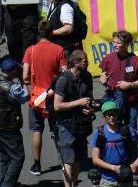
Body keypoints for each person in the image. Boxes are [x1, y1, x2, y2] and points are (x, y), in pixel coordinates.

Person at [22, 21, 65, 176]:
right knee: (58, 130)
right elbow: (65, 73)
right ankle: (64, 162)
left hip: (37, 98)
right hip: (53, 97)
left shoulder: (30, 50)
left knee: (37, 131)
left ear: (38, 33)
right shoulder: (59, 50)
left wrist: (29, 89)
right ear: (51, 33)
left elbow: (25, 75)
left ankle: (37, 165)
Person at [0, 56, 29, 187]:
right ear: (13, 71)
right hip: (7, 127)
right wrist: (22, 80)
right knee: (18, 157)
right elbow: (26, 97)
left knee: (5, 157)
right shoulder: (12, 87)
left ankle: (4, 182)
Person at [53, 49, 94, 187]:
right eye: (85, 60)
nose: (87, 63)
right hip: (66, 125)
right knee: (68, 161)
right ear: (76, 63)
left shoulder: (87, 76)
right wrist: (78, 103)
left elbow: (90, 98)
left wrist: (90, 108)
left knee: (78, 161)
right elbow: (57, 106)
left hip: (81, 125)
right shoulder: (63, 80)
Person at [89, 100, 138, 185]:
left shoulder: (127, 130)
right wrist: (113, 168)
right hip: (107, 178)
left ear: (118, 114)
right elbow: (95, 160)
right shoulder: (99, 132)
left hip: (125, 176)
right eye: (109, 114)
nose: (112, 117)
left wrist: (136, 164)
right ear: (104, 117)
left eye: (114, 113)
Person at [99, 30, 138, 136]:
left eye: (118, 43)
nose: (114, 45)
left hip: (130, 102)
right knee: (113, 129)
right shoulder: (108, 58)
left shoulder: (136, 61)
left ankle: (132, 151)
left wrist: (130, 85)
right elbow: (103, 74)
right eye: (113, 42)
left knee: (131, 130)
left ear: (126, 44)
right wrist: (102, 78)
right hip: (113, 101)